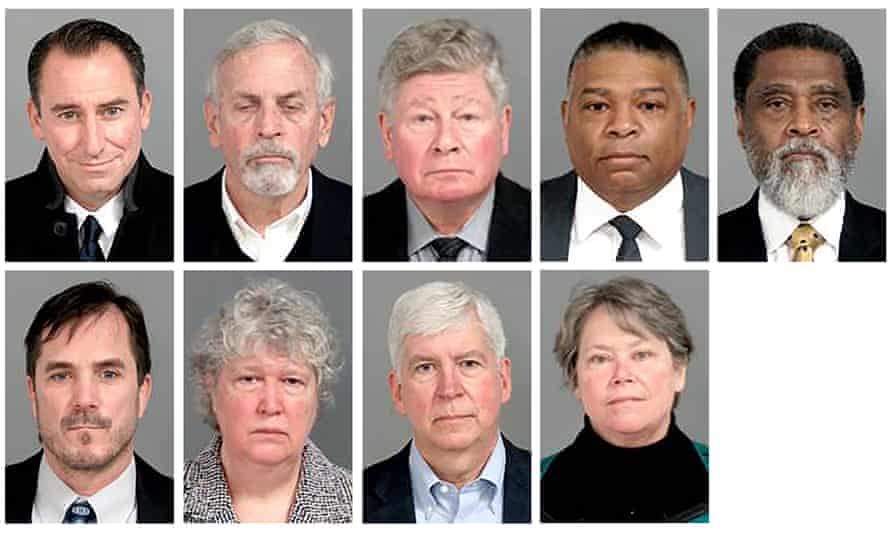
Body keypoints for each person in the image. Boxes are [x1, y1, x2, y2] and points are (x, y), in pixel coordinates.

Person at [541, 277, 707, 522]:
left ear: (678, 372)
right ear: (575, 379)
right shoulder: (529, 490)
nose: (622, 375)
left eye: (641, 355)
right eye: (600, 358)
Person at [184, 279, 351, 523]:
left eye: (292, 381)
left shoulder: (359, 506)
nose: (271, 406)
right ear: (211, 386)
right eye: (249, 379)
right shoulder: (166, 501)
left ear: (318, 393)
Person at [6, 19, 173, 262]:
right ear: (36, 119)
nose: (93, 146)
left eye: (112, 111)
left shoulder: (190, 213)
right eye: (69, 115)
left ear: (144, 109)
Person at [6, 281, 172, 523]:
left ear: (142, 392)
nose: (84, 400)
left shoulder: (183, 508)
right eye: (61, 376)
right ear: (33, 394)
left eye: (108, 374)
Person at [364, 18, 530, 262]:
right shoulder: (351, 227)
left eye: (467, 117)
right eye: (423, 119)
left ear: (503, 128)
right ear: (388, 135)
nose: (446, 142)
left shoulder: (544, 223)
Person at [364, 281, 530, 523]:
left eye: (468, 364)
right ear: (398, 392)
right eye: (426, 368)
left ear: (503, 380)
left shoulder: (551, 486)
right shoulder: (356, 502)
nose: (449, 390)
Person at [185, 20, 350, 261]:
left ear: (324, 122)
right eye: (246, 107)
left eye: (291, 107)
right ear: (214, 123)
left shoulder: (365, 222)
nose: (268, 128)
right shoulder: (172, 219)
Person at [542, 22, 708, 262]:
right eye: (597, 107)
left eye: (649, 106)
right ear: (566, 117)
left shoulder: (723, 221)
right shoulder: (525, 216)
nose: (621, 126)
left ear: (688, 115)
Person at [719, 22, 885, 261]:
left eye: (826, 104)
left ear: (857, 124)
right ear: (742, 122)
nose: (803, 125)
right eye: (777, 104)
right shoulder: (712, 244)